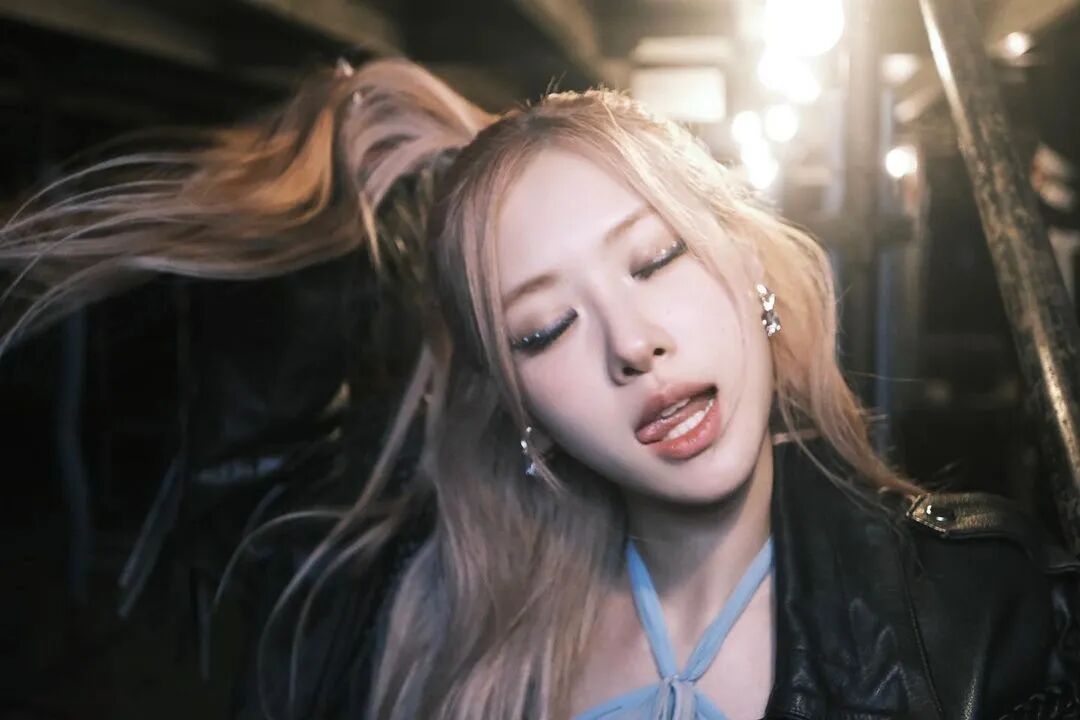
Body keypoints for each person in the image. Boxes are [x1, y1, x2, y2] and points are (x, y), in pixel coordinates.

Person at [2, 58, 1078, 720]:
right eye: (544, 328)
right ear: (517, 409)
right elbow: (251, 504)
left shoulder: (976, 606)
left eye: (655, 258)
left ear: (748, 265)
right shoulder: (425, 625)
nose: (633, 344)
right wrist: (326, 179)